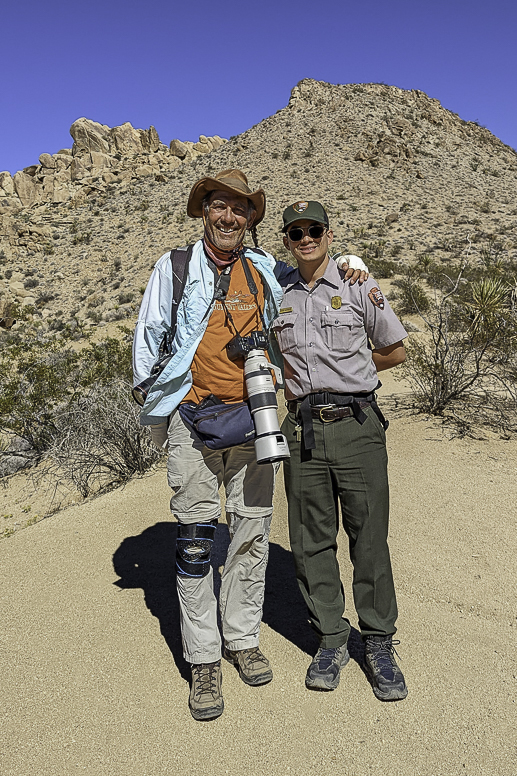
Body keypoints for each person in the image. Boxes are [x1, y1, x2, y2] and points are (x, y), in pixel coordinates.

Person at [133, 172, 367, 720]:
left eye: (240, 209)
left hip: (256, 421)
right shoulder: (175, 268)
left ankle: (240, 638)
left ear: (251, 219)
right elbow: (147, 338)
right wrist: (156, 404)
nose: (230, 218)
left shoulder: (264, 270)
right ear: (204, 211)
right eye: (220, 206)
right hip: (193, 423)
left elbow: (315, 273)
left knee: (251, 533)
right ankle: (204, 659)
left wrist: (353, 259)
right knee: (195, 542)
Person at [274, 200, 408, 701]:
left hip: (356, 426)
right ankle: (330, 639)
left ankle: (377, 641)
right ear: (286, 241)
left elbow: (394, 349)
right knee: (310, 540)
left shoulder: (356, 284)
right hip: (302, 430)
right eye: (295, 232)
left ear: (329, 235)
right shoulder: (277, 292)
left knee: (369, 536)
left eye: (313, 230)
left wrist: (349, 368)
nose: (305, 238)